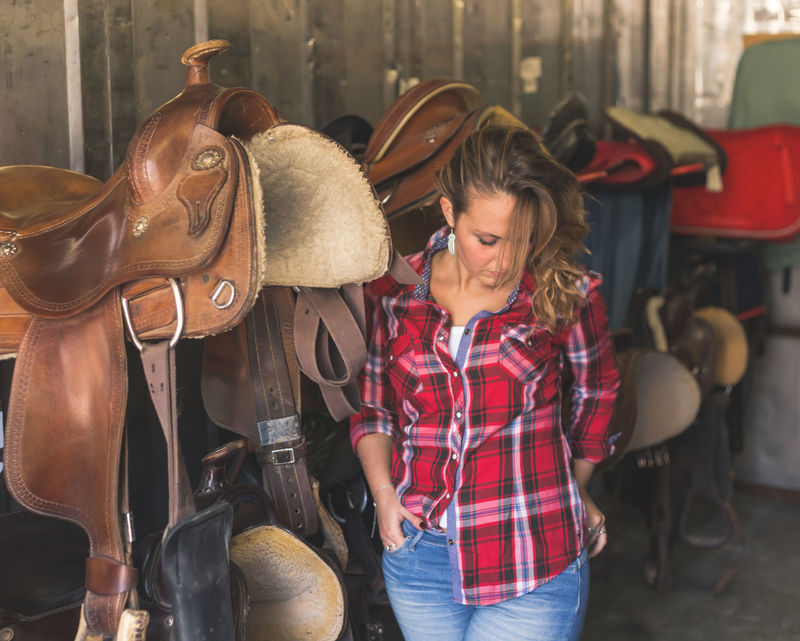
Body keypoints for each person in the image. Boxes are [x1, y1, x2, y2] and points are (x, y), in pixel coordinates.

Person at [349, 125, 620, 641]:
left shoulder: (563, 293)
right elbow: (375, 409)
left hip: (532, 556)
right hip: (419, 557)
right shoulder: (393, 294)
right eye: (488, 240)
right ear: (450, 213)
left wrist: (577, 486)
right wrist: (384, 495)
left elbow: (597, 391)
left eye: (523, 241)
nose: (505, 261)